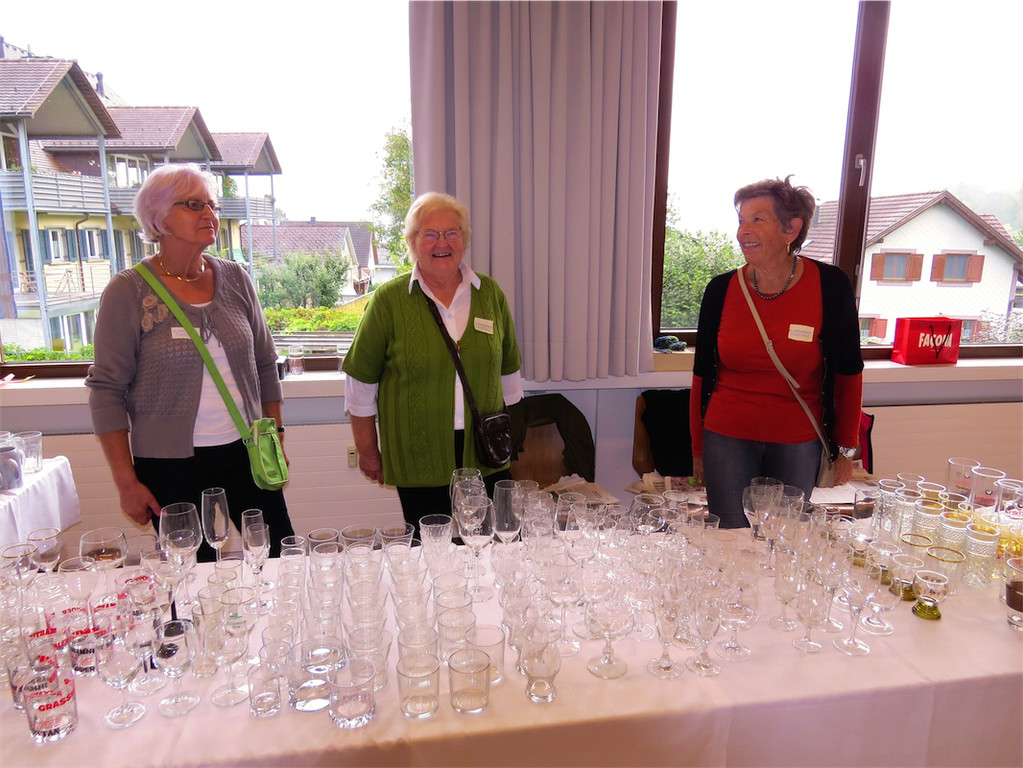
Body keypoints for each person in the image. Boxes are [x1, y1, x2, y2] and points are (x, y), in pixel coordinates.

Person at [86, 163, 294, 560]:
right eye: (194, 205)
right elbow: (107, 391)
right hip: (169, 466)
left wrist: (277, 438)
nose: (209, 214)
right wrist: (127, 483)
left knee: (280, 557)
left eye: (213, 205)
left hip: (248, 451)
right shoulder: (128, 291)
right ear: (159, 217)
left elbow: (266, 364)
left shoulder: (236, 278)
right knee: (191, 573)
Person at [343, 192, 524, 534]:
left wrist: (512, 442)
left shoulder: (490, 294)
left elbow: (510, 379)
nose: (442, 243)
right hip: (418, 453)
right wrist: (368, 452)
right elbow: (361, 385)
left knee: (493, 544)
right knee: (432, 549)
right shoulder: (388, 301)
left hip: (485, 451)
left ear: (464, 239)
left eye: (452, 232)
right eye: (430, 234)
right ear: (412, 242)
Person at [690, 176, 863, 528]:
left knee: (783, 540)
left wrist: (846, 449)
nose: (743, 231)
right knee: (730, 536)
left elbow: (848, 374)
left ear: (791, 229)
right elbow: (702, 375)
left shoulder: (830, 285)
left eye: (757, 219)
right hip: (726, 438)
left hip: (798, 440)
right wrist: (697, 450)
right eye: (741, 220)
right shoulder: (720, 289)